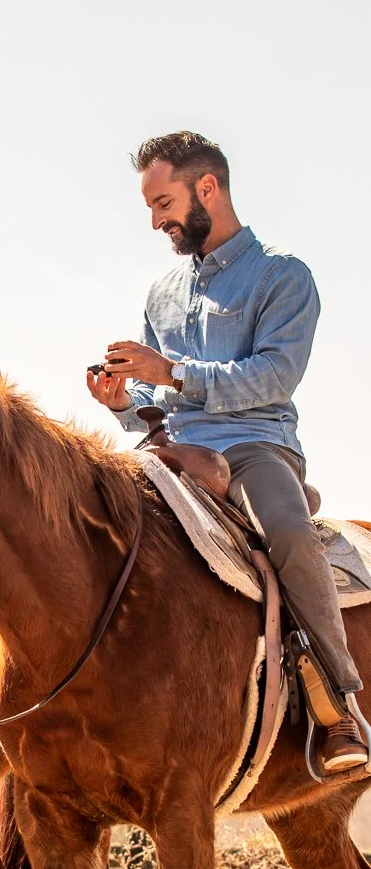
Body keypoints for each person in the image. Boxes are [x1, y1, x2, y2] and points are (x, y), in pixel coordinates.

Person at [86, 130, 367, 774]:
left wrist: (172, 372)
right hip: (168, 452)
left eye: (164, 204)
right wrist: (123, 405)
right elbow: (156, 406)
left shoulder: (284, 276)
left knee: (290, 534)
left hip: (254, 448)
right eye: (151, 208)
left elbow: (274, 377)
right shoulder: (161, 293)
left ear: (206, 188)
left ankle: (339, 706)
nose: (157, 221)